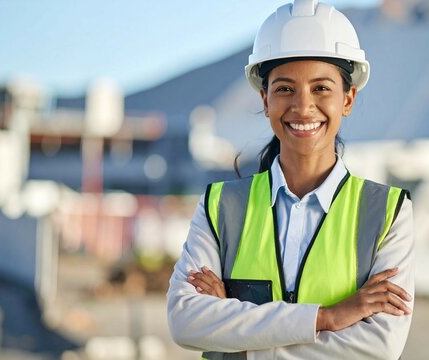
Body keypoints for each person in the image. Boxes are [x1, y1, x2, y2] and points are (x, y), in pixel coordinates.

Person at [166, 1, 415, 359]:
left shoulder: (388, 212)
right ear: (265, 99)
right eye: (284, 89)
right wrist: (327, 318)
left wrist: (237, 337)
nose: (302, 106)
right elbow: (184, 321)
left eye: (321, 88)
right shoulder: (220, 206)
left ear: (348, 98)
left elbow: (377, 348)